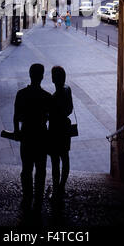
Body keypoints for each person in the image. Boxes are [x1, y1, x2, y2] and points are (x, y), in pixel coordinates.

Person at [14, 63, 52, 212]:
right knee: (40, 169)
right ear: (42, 76)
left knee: (26, 169)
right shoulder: (47, 97)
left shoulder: (21, 94)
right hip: (41, 136)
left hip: (27, 135)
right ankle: (38, 198)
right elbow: (52, 117)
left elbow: (16, 116)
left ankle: (27, 196)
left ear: (30, 75)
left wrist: (17, 131)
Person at [48, 66, 73, 202]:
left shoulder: (54, 97)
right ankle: (62, 185)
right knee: (65, 157)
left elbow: (48, 115)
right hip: (65, 128)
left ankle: (56, 187)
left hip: (54, 131)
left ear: (54, 79)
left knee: (55, 161)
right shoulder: (68, 89)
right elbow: (70, 109)